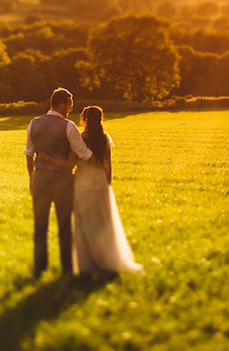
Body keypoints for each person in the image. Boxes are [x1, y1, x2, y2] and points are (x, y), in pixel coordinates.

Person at [38, 105, 143, 275]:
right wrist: (107, 183)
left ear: (85, 119)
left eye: (81, 115)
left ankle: (88, 262)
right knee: (103, 222)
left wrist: (48, 158)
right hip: (101, 183)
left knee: (84, 222)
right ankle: (107, 257)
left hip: (84, 183)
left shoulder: (81, 138)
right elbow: (108, 165)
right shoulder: (105, 138)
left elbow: (70, 164)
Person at [24, 88, 94, 278]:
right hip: (62, 180)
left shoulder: (34, 123)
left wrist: (32, 177)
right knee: (64, 226)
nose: (71, 108)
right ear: (62, 104)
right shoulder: (68, 126)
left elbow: (29, 154)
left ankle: (40, 268)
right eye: (70, 104)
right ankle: (67, 269)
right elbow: (84, 154)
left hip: (40, 179)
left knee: (40, 226)